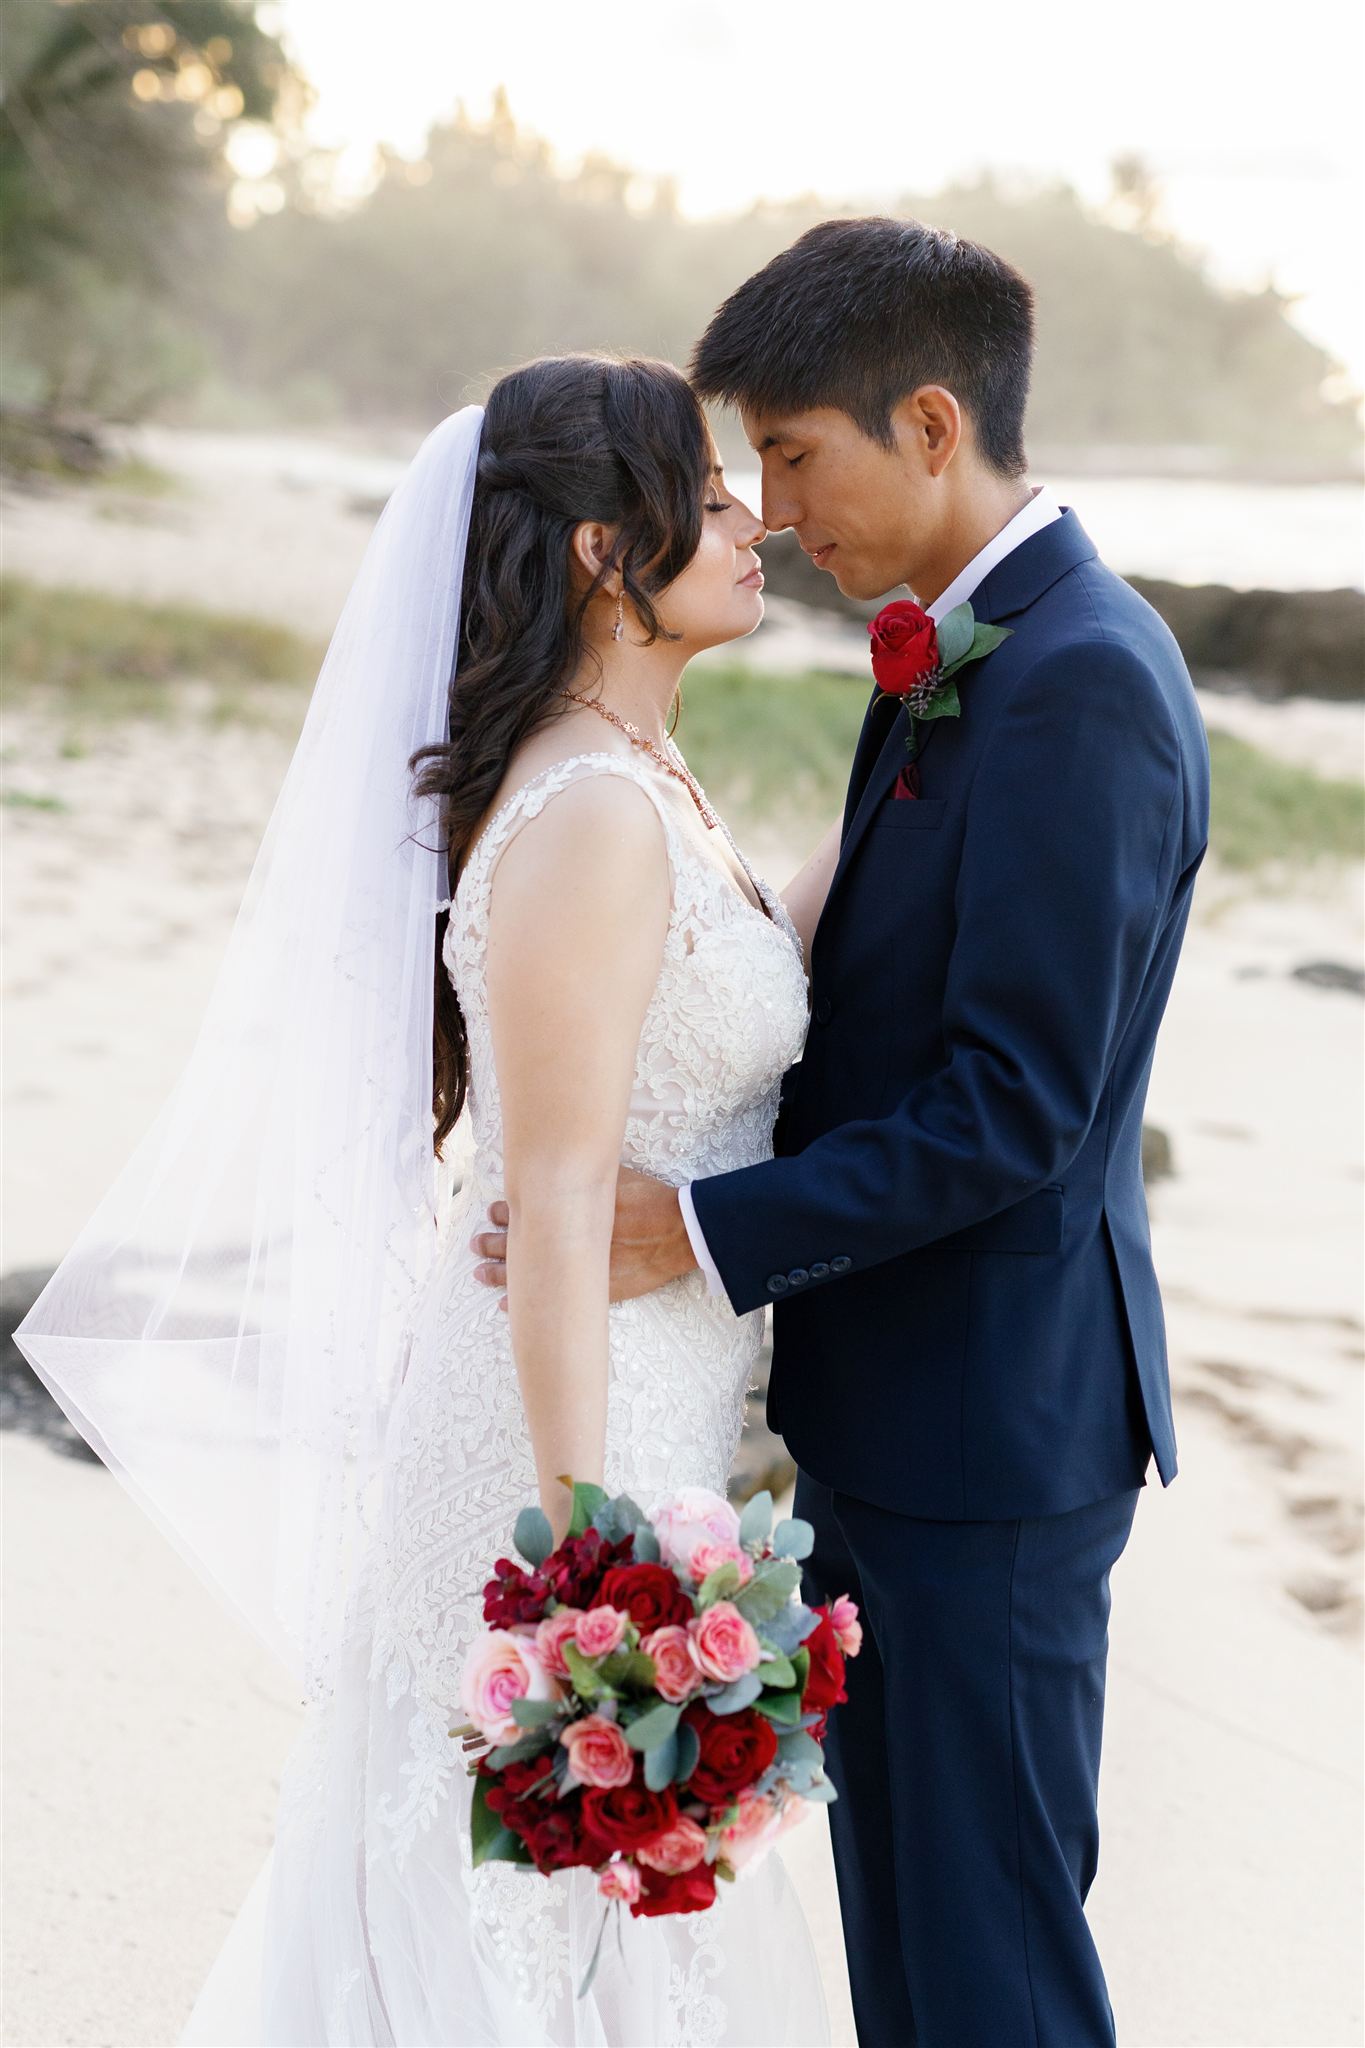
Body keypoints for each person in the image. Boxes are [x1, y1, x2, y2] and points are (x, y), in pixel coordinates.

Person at [18, 356, 833, 2046]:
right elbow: (543, 1202)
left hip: (647, 1416)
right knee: (510, 1933)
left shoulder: (643, 783)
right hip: (556, 1456)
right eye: (713, 483)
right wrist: (590, 1559)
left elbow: (736, 991)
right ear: (610, 548)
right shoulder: (595, 812)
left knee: (581, 1941)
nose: (755, 512)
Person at [475, 218, 1212, 2047]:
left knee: (984, 1961)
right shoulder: (953, 660)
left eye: (795, 456)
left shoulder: (1082, 683)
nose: (778, 513)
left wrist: (697, 1230)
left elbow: (1012, 1113)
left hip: (992, 1441)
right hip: (892, 1418)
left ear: (933, 423)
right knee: (917, 1951)